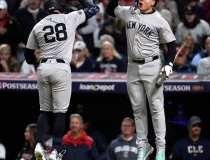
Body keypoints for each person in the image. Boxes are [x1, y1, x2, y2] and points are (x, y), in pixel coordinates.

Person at [24, 0, 99, 159]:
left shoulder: (38, 25)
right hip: (61, 68)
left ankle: (38, 145)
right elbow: (94, 9)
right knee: (60, 112)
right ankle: (56, 151)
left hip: (43, 68)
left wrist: (36, 60)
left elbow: (28, 55)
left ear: (46, 11)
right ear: (60, 9)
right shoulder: (69, 17)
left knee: (44, 110)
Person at [107, 0, 177, 159]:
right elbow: (111, 10)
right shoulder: (130, 11)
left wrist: (169, 64)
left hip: (152, 65)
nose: (141, 0)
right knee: (138, 108)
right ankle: (143, 145)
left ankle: (160, 148)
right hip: (132, 66)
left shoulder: (159, 19)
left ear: (153, 2)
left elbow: (171, 45)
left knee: (156, 107)